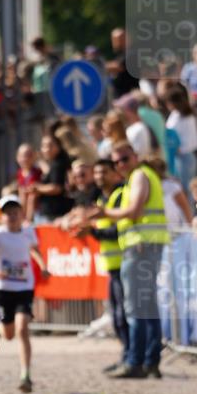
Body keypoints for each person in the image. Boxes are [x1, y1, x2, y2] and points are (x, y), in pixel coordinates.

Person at [95, 143, 169, 379]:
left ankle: (135, 362)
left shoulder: (139, 176)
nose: (120, 165)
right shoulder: (143, 176)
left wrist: (105, 213)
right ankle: (150, 361)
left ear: (135, 157)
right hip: (146, 246)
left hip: (140, 247)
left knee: (135, 308)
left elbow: (135, 211)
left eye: (124, 159)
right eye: (116, 162)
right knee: (147, 306)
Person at [0, 194, 49, 394]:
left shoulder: (28, 232)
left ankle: (25, 374)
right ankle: (1, 326)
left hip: (25, 287)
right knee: (8, 334)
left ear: (21, 213)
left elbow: (34, 250)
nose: (12, 216)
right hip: (3, 288)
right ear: (1, 216)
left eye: (15, 212)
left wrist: (43, 266)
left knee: (22, 328)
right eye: (7, 213)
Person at [81, 159, 130, 370]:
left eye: (104, 172)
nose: (100, 176)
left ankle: (131, 358)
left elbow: (117, 230)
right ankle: (126, 356)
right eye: (97, 172)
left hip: (124, 262)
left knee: (123, 315)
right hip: (112, 264)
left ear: (114, 174)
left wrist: (92, 232)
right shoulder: (102, 198)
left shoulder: (119, 196)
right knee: (117, 315)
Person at [165, 87, 197, 197]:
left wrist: (179, 148)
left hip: (185, 156)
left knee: (186, 189)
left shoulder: (188, 117)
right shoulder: (174, 115)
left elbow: (194, 141)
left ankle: (189, 212)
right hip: (175, 157)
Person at [33, 133, 72, 222]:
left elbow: (56, 187)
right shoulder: (54, 163)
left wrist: (37, 188)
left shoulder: (58, 164)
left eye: (50, 145)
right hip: (50, 212)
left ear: (58, 146)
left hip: (55, 213)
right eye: (44, 146)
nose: (46, 149)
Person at [15, 142, 42, 223]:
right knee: (22, 194)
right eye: (22, 156)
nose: (25, 159)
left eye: (29, 155)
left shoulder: (37, 171)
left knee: (31, 196)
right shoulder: (19, 173)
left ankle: (28, 220)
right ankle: (21, 218)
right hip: (24, 199)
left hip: (35, 200)